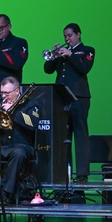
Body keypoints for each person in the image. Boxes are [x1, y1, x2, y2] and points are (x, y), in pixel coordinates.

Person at [43, 23, 95, 182]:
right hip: (62, 98)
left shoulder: (87, 50)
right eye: (65, 36)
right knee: (64, 136)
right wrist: (54, 56)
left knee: (80, 134)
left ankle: (82, 174)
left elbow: (84, 67)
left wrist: (70, 55)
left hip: (79, 97)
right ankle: (64, 172)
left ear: (78, 34)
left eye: (70, 35)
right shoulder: (62, 53)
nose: (67, 39)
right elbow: (47, 69)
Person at [0, 77, 38, 204]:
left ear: (17, 91)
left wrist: (14, 112)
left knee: (18, 155)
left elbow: (33, 124)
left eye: (7, 93)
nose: (4, 96)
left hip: (20, 145)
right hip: (0, 145)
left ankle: (7, 193)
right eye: (2, 92)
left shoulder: (30, 104)